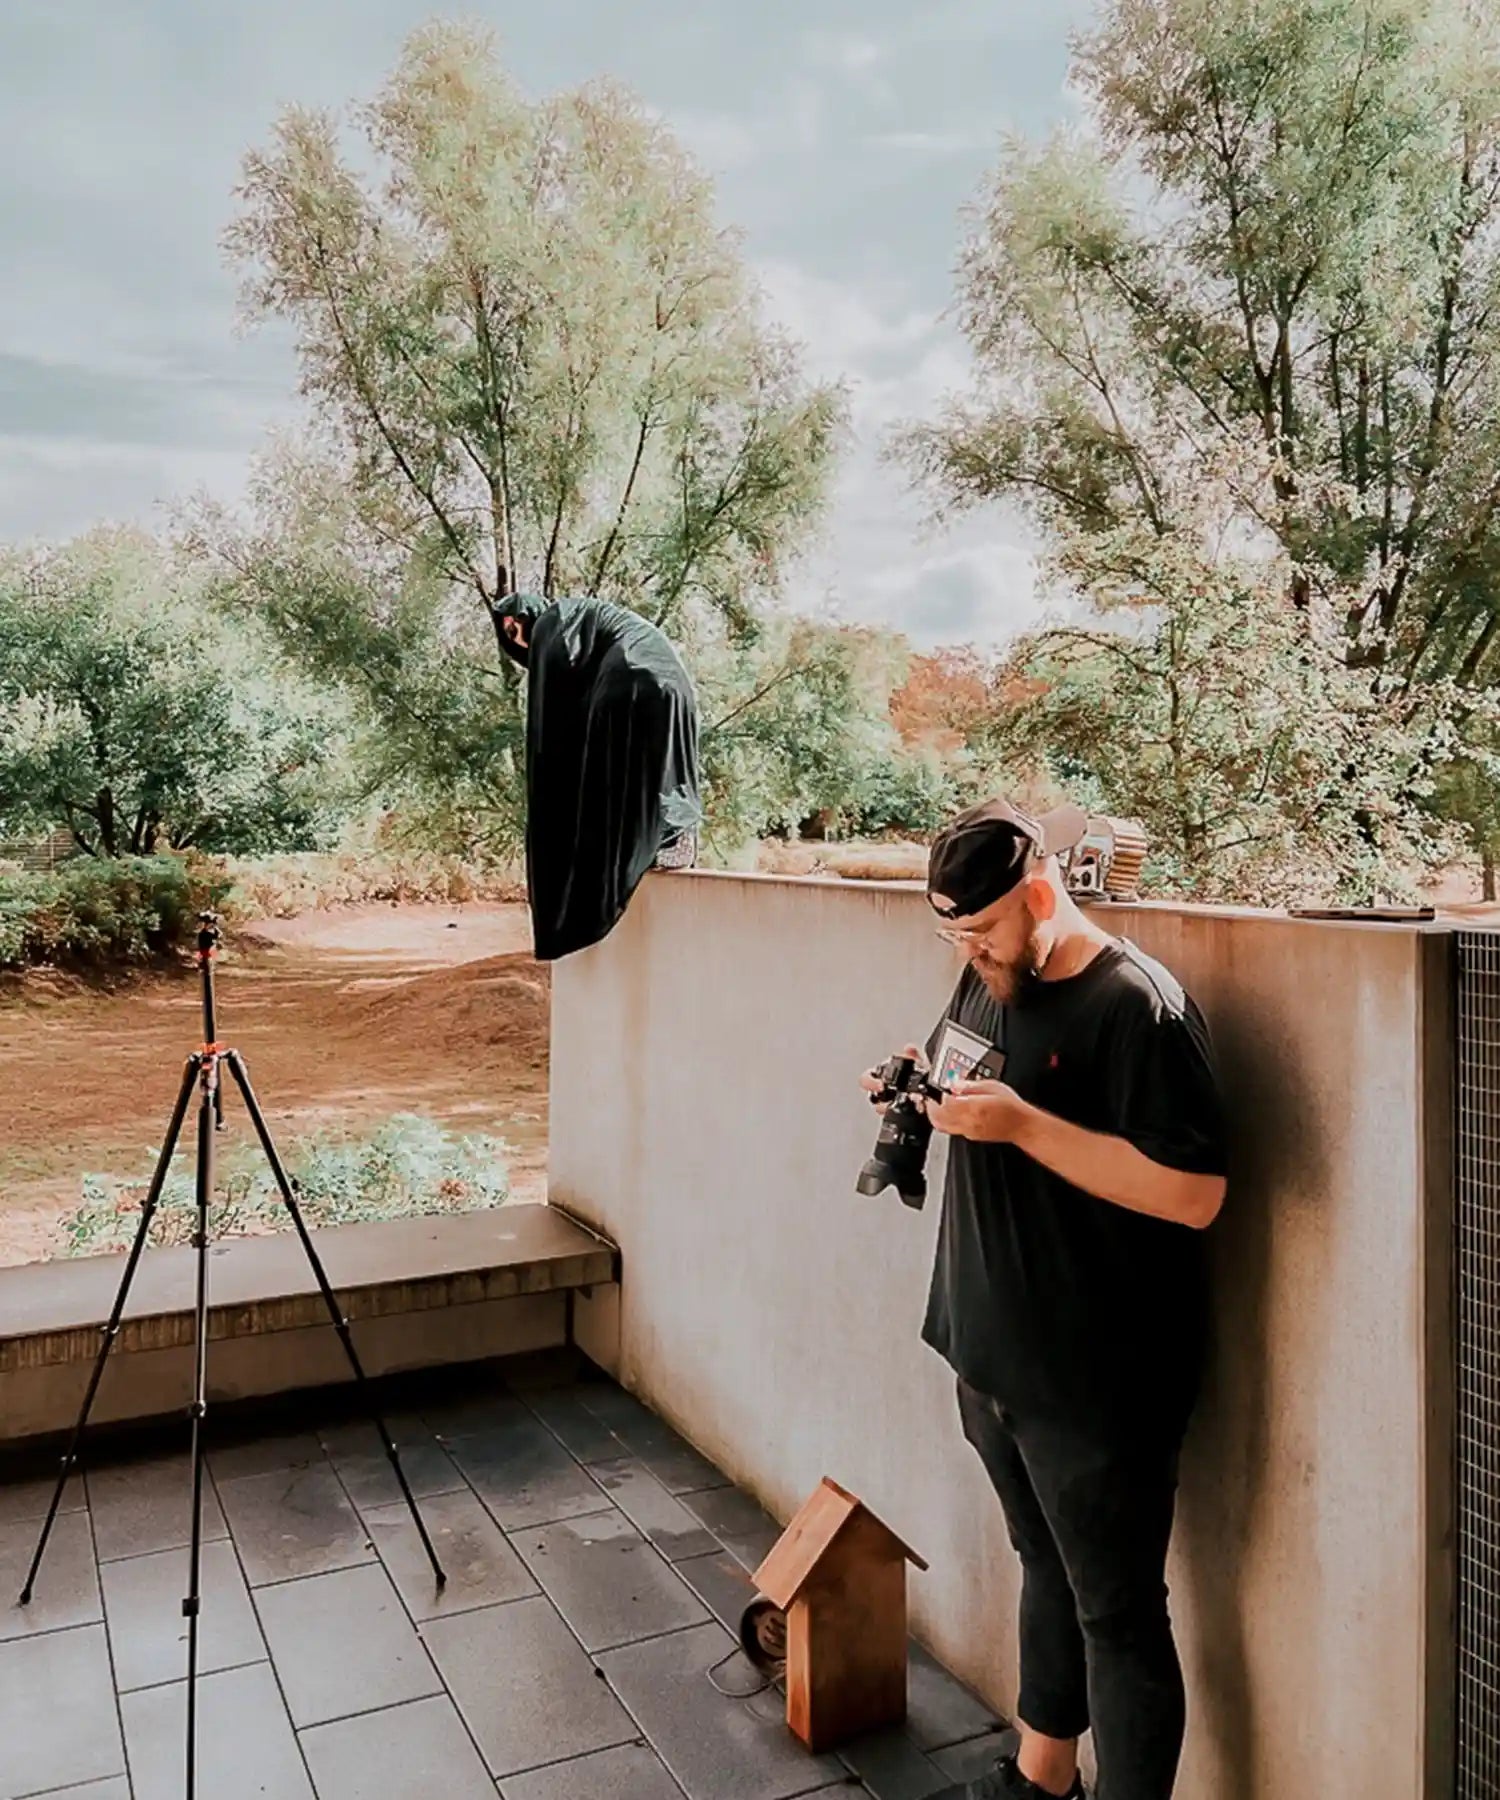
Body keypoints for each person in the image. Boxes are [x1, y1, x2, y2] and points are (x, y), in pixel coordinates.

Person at [862, 797, 1228, 1800]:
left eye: (979, 930)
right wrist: (910, 1080)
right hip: (989, 1350)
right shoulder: (989, 974)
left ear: (1039, 893)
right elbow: (958, 1065)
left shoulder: (1136, 1006)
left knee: (1118, 1615)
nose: (968, 952)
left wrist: (1024, 1127)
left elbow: (1196, 1196)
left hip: (1098, 1378)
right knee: (1044, 1566)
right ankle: (1039, 1780)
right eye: (951, 935)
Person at [490, 593, 701, 962]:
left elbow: (552, 734)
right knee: (654, 766)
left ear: (523, 619)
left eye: (514, 629)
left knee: (601, 777)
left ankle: (594, 898)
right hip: (676, 686)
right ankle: (673, 838)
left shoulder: (550, 622)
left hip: (628, 680)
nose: (516, 638)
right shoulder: (585, 616)